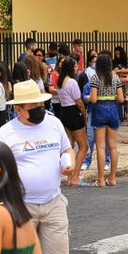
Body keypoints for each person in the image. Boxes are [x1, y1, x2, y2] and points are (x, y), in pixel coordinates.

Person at [0, 80, 76, 254]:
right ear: (18, 109)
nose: (40, 109)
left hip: (53, 200)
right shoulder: (6, 134)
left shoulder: (53, 123)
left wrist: (68, 162)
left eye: (41, 104)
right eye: (33, 106)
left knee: (59, 251)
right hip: (21, 204)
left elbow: (66, 148)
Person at [88, 53, 124, 188]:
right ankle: (113, 178)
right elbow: (121, 99)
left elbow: (93, 99)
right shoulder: (115, 78)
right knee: (113, 146)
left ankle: (101, 179)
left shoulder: (95, 77)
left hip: (100, 111)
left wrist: (87, 98)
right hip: (113, 110)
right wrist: (112, 96)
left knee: (101, 147)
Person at [55, 58, 88, 187]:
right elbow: (79, 102)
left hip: (64, 112)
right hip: (74, 113)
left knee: (69, 146)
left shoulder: (60, 81)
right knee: (83, 146)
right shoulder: (72, 82)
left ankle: (69, 176)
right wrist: (84, 116)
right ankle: (75, 176)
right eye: (75, 67)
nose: (77, 69)